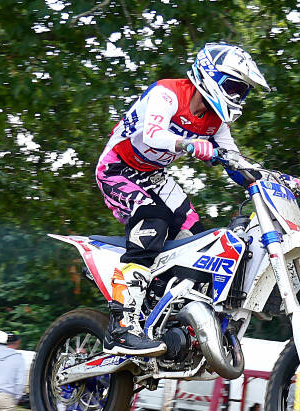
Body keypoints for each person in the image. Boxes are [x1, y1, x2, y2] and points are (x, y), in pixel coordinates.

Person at [96, 42, 271, 356]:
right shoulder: (167, 94)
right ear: (210, 76)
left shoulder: (215, 122)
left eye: (242, 92)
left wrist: (272, 179)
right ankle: (121, 326)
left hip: (154, 176)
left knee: (198, 239)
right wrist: (189, 145)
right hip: (117, 170)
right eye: (233, 87)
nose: (237, 97)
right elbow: (153, 134)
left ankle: (166, 311)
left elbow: (234, 159)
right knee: (153, 220)